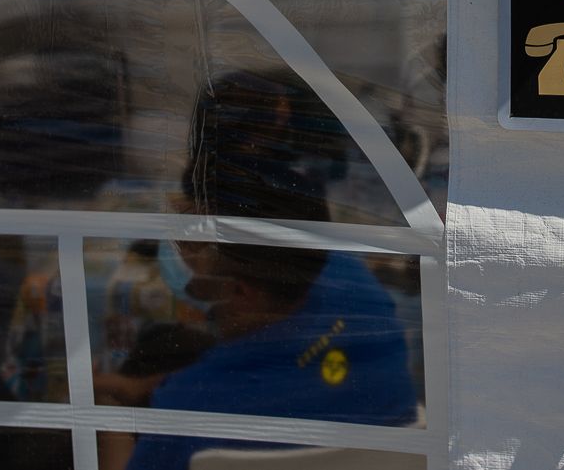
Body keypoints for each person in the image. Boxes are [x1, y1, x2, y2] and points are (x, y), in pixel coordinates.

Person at [115, 69, 417, 470]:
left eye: (190, 241)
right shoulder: (354, 281)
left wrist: (107, 417)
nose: (177, 248)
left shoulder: (189, 410)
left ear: (238, 291)